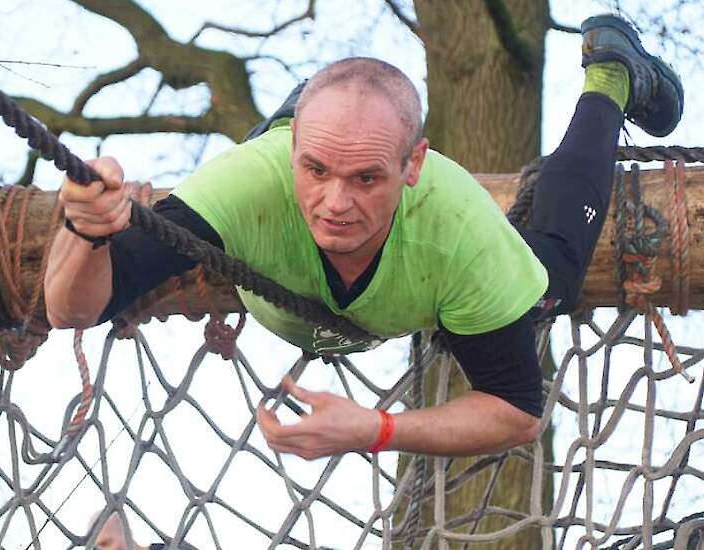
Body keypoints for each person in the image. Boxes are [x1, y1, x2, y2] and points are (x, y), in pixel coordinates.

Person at [45, 14, 682, 465]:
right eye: (316, 170)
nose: (337, 204)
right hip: (288, 176)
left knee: (553, 282)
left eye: (367, 177)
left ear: (413, 164)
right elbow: (71, 309)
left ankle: (611, 79)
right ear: (291, 148)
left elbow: (517, 410)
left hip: (442, 257)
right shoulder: (245, 189)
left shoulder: (453, 230)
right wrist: (84, 230)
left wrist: (378, 429)